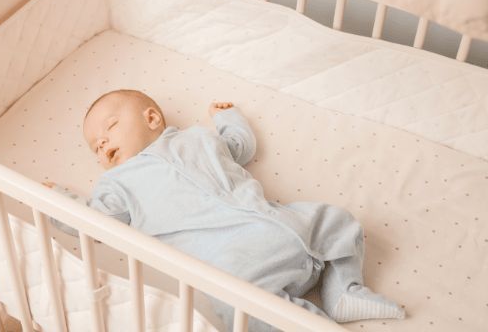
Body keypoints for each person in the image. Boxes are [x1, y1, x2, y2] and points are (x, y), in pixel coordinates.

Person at [46, 89, 405, 330]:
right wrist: (58, 200)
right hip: (235, 266)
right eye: (95, 147)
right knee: (245, 310)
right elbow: (93, 222)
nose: (102, 143)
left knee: (338, 221)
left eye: (110, 127)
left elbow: (239, 146)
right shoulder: (117, 183)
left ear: (152, 118)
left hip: (282, 224)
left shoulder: (197, 138)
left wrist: (227, 117)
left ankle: (342, 291)